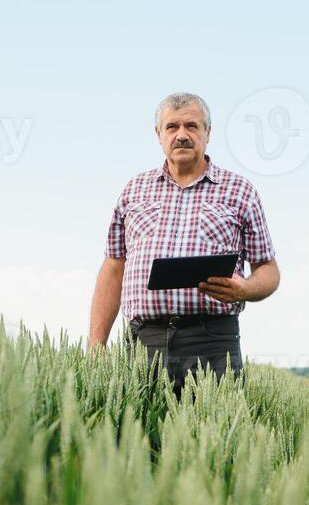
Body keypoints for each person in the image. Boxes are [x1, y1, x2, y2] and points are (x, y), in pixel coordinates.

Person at [87, 92, 280, 398]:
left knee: (215, 439)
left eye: (191, 126)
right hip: (142, 343)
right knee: (139, 441)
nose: (182, 135)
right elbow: (113, 267)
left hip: (212, 341)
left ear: (208, 133)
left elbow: (268, 269)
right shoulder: (134, 190)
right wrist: (96, 346)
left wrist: (245, 289)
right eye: (172, 127)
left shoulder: (240, 191)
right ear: (158, 134)